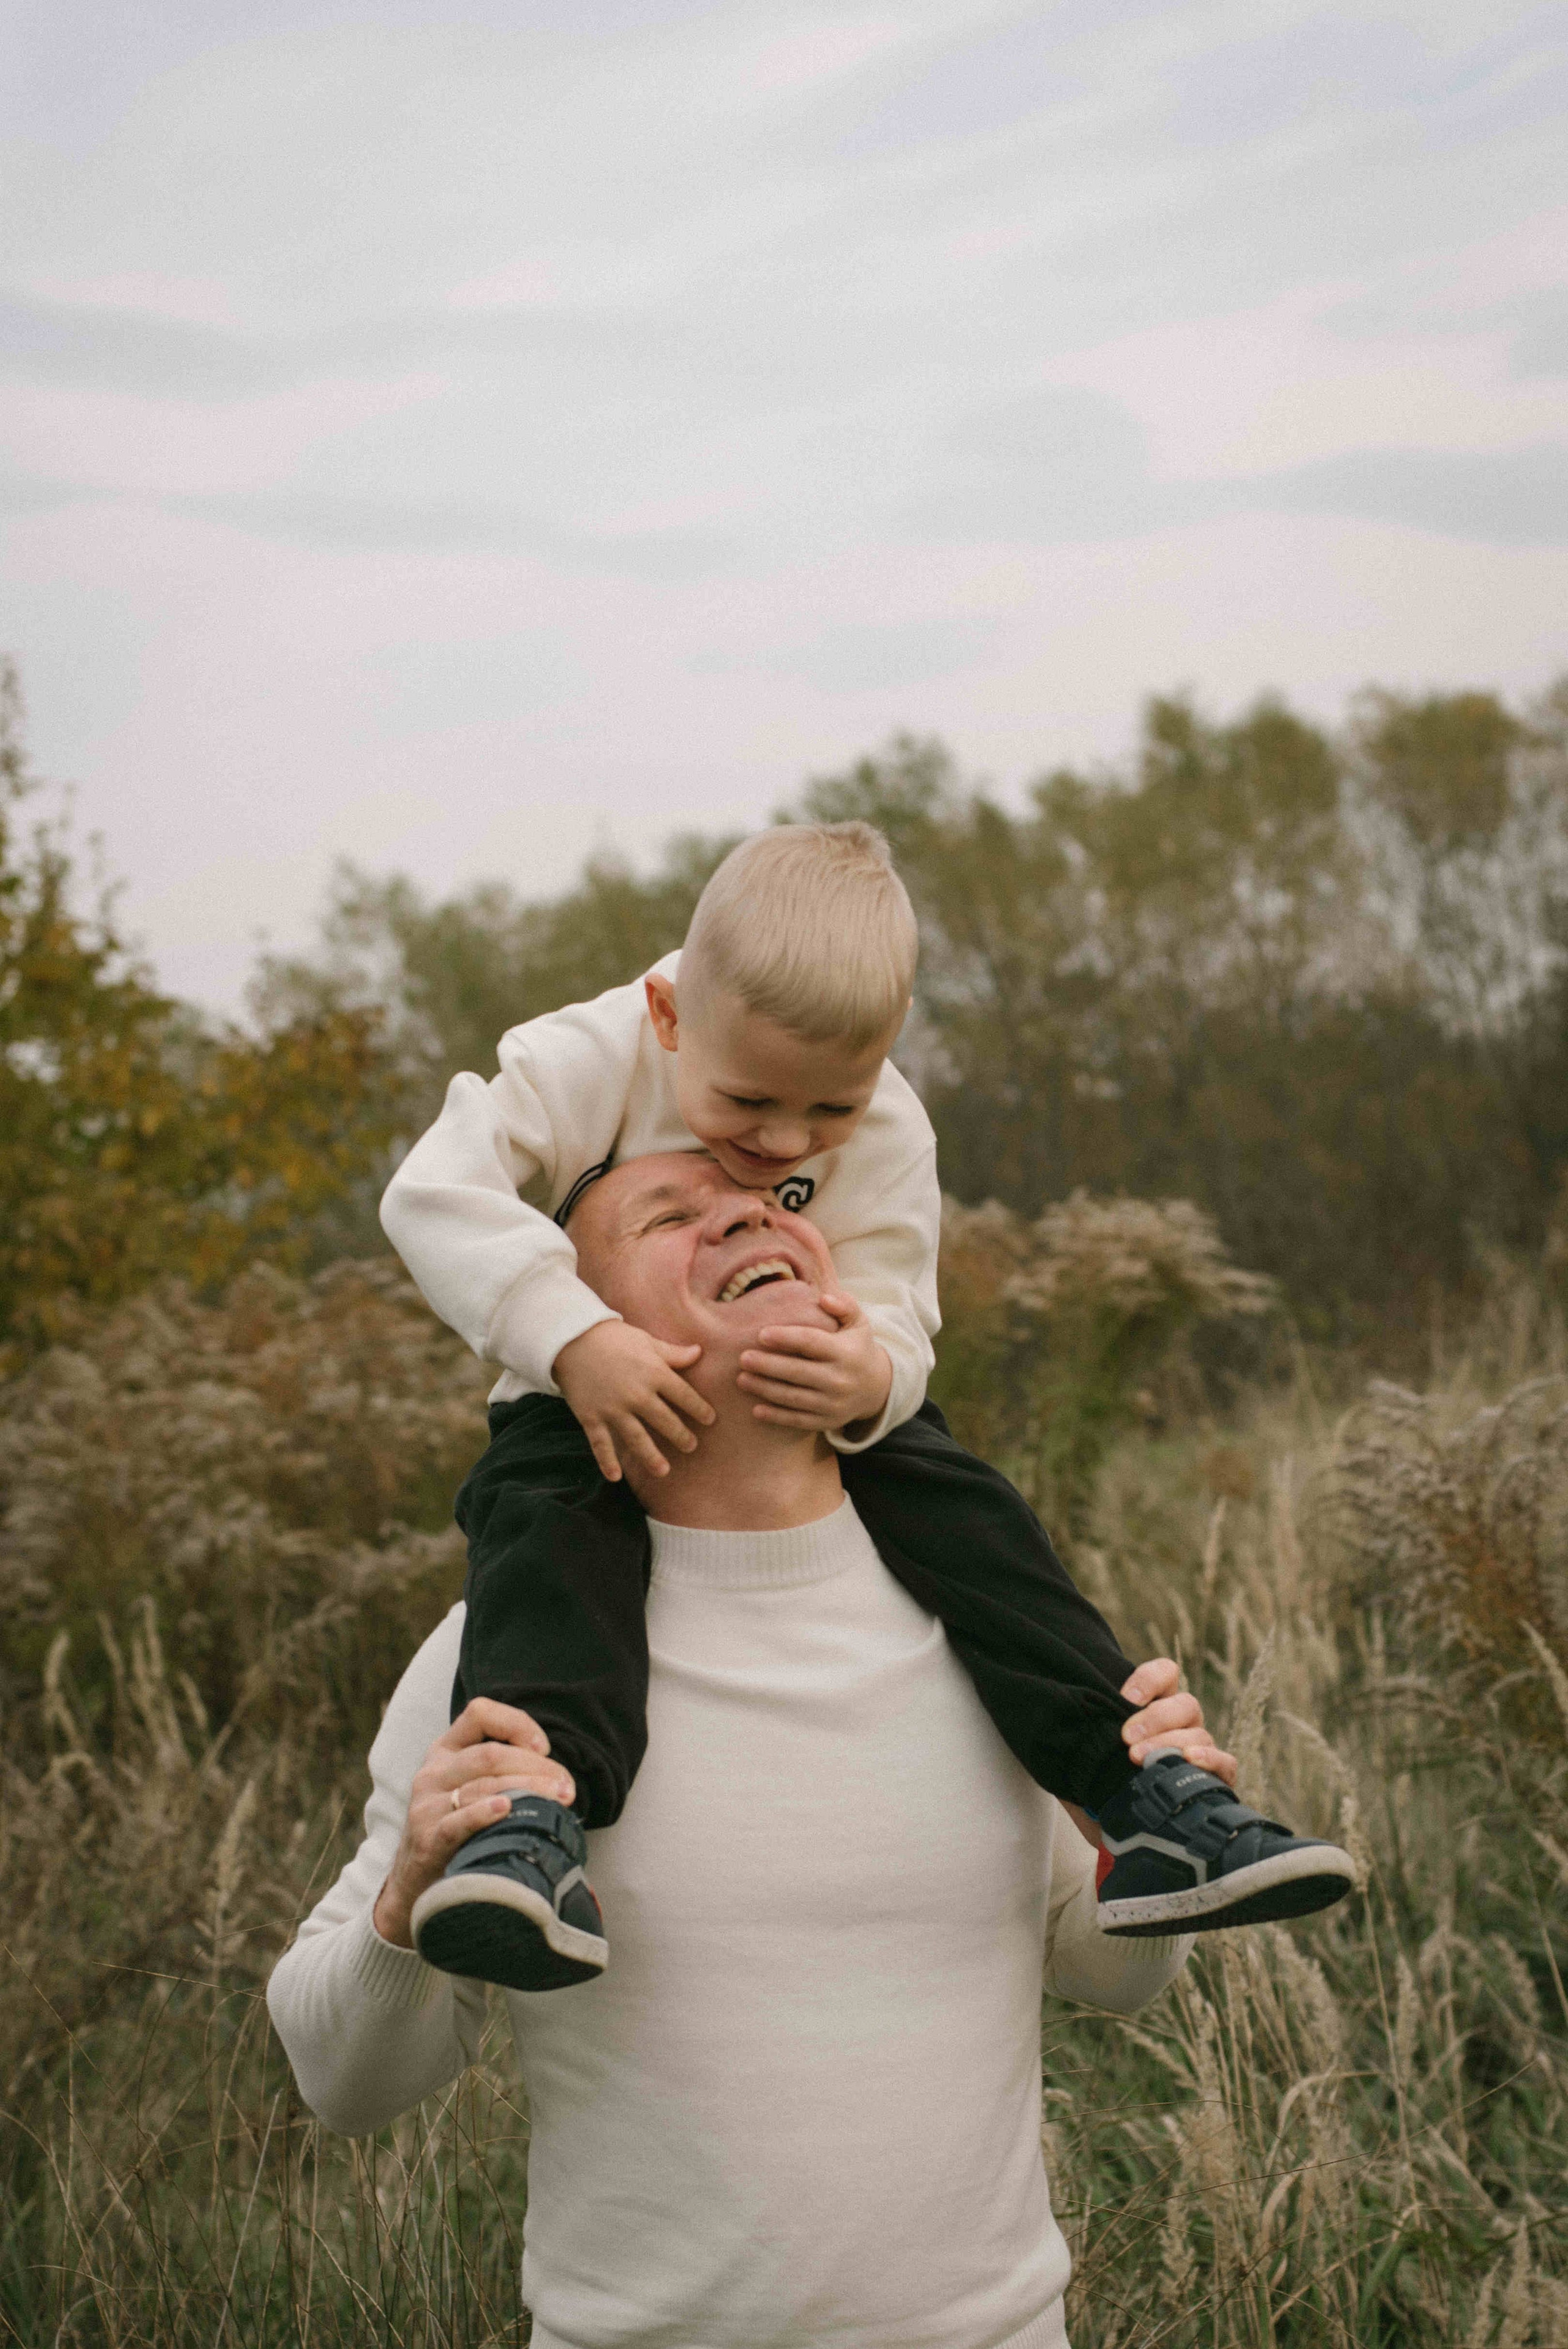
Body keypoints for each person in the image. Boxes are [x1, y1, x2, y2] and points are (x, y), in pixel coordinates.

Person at [270, 1151, 1240, 2349]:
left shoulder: (989, 1615)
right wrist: (408, 1901)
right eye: (669, 1216)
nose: (742, 1211)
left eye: (778, 1201)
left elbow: (1102, 1974)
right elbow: (341, 2082)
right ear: (575, 1334)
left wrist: (1130, 1853)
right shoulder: (507, 1664)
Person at [380, 823, 1352, 1989]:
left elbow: (894, 1290)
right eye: (747, 1100)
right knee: (541, 1533)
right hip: (573, 1383)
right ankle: (529, 1824)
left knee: (967, 1512)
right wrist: (571, 1335)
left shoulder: (888, 1120)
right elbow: (434, 1193)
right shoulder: (579, 1058)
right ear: (670, 1014)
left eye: (827, 1114)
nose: (781, 1147)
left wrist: (875, 1376)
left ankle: (1142, 1796)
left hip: (812, 1400)